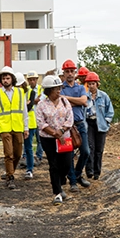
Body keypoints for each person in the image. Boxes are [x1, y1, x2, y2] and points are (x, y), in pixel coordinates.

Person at [35, 75, 74, 205]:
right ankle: (57, 192)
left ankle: (61, 180)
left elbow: (70, 118)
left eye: (59, 88)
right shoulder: (41, 105)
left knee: (67, 163)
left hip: (65, 138)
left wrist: (62, 131)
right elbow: (41, 122)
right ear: (48, 90)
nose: (58, 91)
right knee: (54, 164)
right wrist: (54, 133)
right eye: (55, 89)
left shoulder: (65, 101)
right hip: (48, 139)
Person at [0, 66, 29, 190]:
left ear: (12, 79)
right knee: (8, 153)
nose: (6, 80)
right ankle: (10, 177)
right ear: (1, 80)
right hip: (4, 127)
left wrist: (26, 127)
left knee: (17, 153)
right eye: (3, 78)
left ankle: (9, 170)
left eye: (8, 78)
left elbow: (24, 111)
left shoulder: (20, 92)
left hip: (18, 126)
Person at [60, 59, 91, 192]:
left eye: (72, 71)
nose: (70, 74)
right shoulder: (60, 87)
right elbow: (60, 105)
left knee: (86, 151)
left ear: (75, 72)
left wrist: (67, 99)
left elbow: (84, 101)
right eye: (67, 71)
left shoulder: (80, 87)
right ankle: (73, 181)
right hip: (66, 127)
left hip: (80, 124)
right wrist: (75, 102)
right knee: (69, 154)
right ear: (64, 73)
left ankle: (77, 174)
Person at [85, 72, 114, 181]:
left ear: (97, 84)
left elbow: (110, 111)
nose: (91, 86)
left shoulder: (104, 96)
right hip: (89, 123)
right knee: (89, 147)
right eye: (89, 84)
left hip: (100, 123)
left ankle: (97, 171)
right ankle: (89, 170)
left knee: (99, 149)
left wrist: (107, 121)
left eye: (93, 83)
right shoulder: (85, 96)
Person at [26, 70, 44, 169]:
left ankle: (39, 156)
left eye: (34, 79)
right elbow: (28, 102)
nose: (32, 81)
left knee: (39, 139)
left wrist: (32, 101)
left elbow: (42, 100)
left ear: (37, 79)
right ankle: (26, 157)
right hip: (31, 118)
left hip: (40, 117)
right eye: (30, 79)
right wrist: (34, 100)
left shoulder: (42, 89)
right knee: (28, 139)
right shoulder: (26, 90)